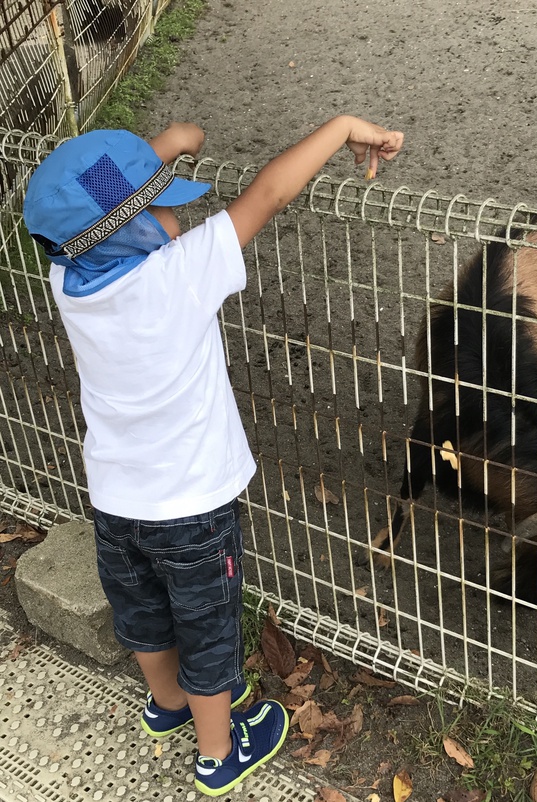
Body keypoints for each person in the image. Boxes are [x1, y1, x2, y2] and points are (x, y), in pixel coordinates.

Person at [22, 115, 403, 796]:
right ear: (136, 229)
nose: (177, 212)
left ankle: (165, 706)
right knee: (208, 631)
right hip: (193, 511)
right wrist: (341, 125)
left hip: (116, 502)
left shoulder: (69, 279)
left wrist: (173, 142)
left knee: (140, 614)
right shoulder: (178, 275)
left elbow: (97, 207)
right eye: (163, 206)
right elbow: (267, 195)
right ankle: (218, 752)